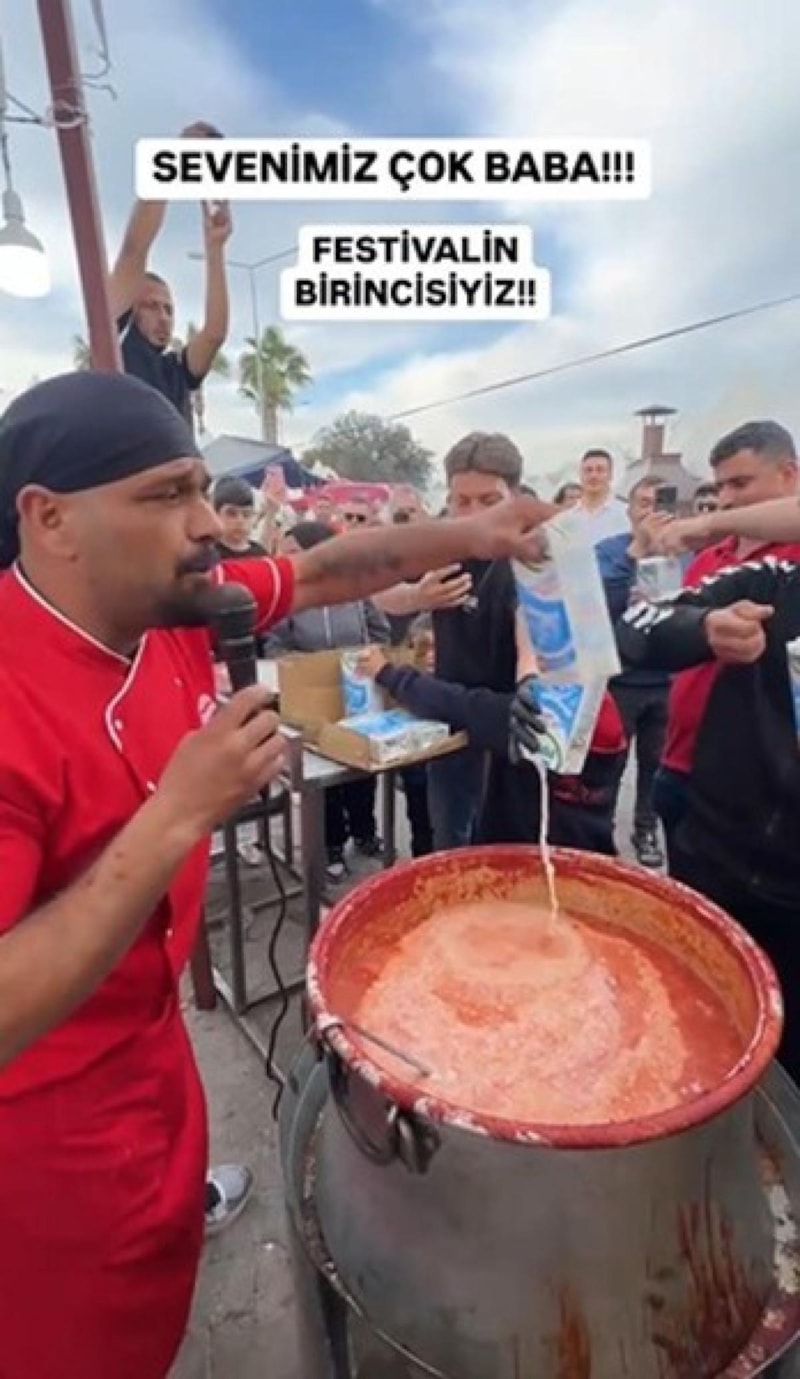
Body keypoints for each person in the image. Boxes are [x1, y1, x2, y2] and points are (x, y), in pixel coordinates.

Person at [0, 370, 552, 1379]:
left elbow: (336, 566)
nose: (209, 523)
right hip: (39, 1130)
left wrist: (475, 533)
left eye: (201, 489)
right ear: (50, 518)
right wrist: (180, 811)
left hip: (154, 1053)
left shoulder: (169, 603)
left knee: (166, 1275)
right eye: (167, 494)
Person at [618, 554, 800, 1082]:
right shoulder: (774, 582)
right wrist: (704, 628)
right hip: (713, 861)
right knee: (693, 1033)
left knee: (784, 1076)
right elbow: (638, 626)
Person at [645, 420, 800, 864]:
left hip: (756, 787)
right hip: (678, 762)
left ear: (789, 474)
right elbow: (654, 625)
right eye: (720, 487)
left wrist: (709, 520)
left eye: (740, 483)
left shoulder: (789, 562)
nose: (728, 497)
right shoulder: (711, 558)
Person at [356, 618, 626, 853]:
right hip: (581, 842)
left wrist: (388, 674)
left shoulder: (546, 711)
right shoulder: (597, 703)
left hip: (536, 852)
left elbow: (461, 705)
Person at [263, 520, 391, 879]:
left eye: (294, 552)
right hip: (312, 699)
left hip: (356, 693)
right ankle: (332, 845)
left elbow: (380, 631)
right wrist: (302, 666)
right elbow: (274, 644)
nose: (287, 559)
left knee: (361, 768)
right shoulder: (292, 597)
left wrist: (365, 657)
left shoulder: (355, 591)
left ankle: (365, 833)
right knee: (324, 777)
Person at [426, 432, 530, 850]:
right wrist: (416, 597)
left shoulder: (533, 553)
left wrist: (530, 676)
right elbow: (380, 592)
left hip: (510, 720)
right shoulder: (440, 546)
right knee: (449, 838)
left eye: (489, 501)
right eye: (462, 501)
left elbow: (529, 621)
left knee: (503, 848)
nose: (474, 515)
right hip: (447, 716)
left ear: (514, 497)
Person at [107, 123, 231, 432]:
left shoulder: (176, 370)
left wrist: (215, 248)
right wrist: (172, 161)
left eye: (169, 309)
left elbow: (214, 334)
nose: (164, 318)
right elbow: (134, 250)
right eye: (151, 306)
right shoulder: (114, 345)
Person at [596, 477, 670, 867]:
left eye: (659, 503)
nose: (650, 511)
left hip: (668, 680)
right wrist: (635, 552)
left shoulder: (683, 551)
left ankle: (645, 830)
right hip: (622, 681)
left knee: (655, 766)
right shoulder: (610, 550)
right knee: (610, 764)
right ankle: (600, 832)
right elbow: (596, 604)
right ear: (629, 510)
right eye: (643, 503)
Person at [570, 448, 630, 540]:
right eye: (588, 470)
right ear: (580, 475)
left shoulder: (627, 514)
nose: (593, 475)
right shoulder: (568, 518)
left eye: (600, 470)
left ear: (610, 475)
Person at [212, 475, 266, 559]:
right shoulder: (209, 556)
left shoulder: (260, 554)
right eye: (231, 513)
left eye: (246, 514)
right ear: (216, 514)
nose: (240, 521)